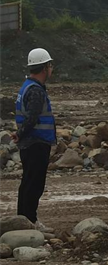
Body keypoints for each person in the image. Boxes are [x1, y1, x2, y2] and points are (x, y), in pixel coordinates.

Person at [13, 48, 56, 231]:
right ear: (44, 68)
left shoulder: (27, 86)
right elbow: (32, 117)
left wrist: (20, 134)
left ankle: (22, 219)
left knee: (27, 182)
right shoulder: (36, 91)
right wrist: (21, 133)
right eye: (50, 65)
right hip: (36, 143)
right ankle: (30, 220)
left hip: (30, 143)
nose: (51, 68)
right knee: (34, 184)